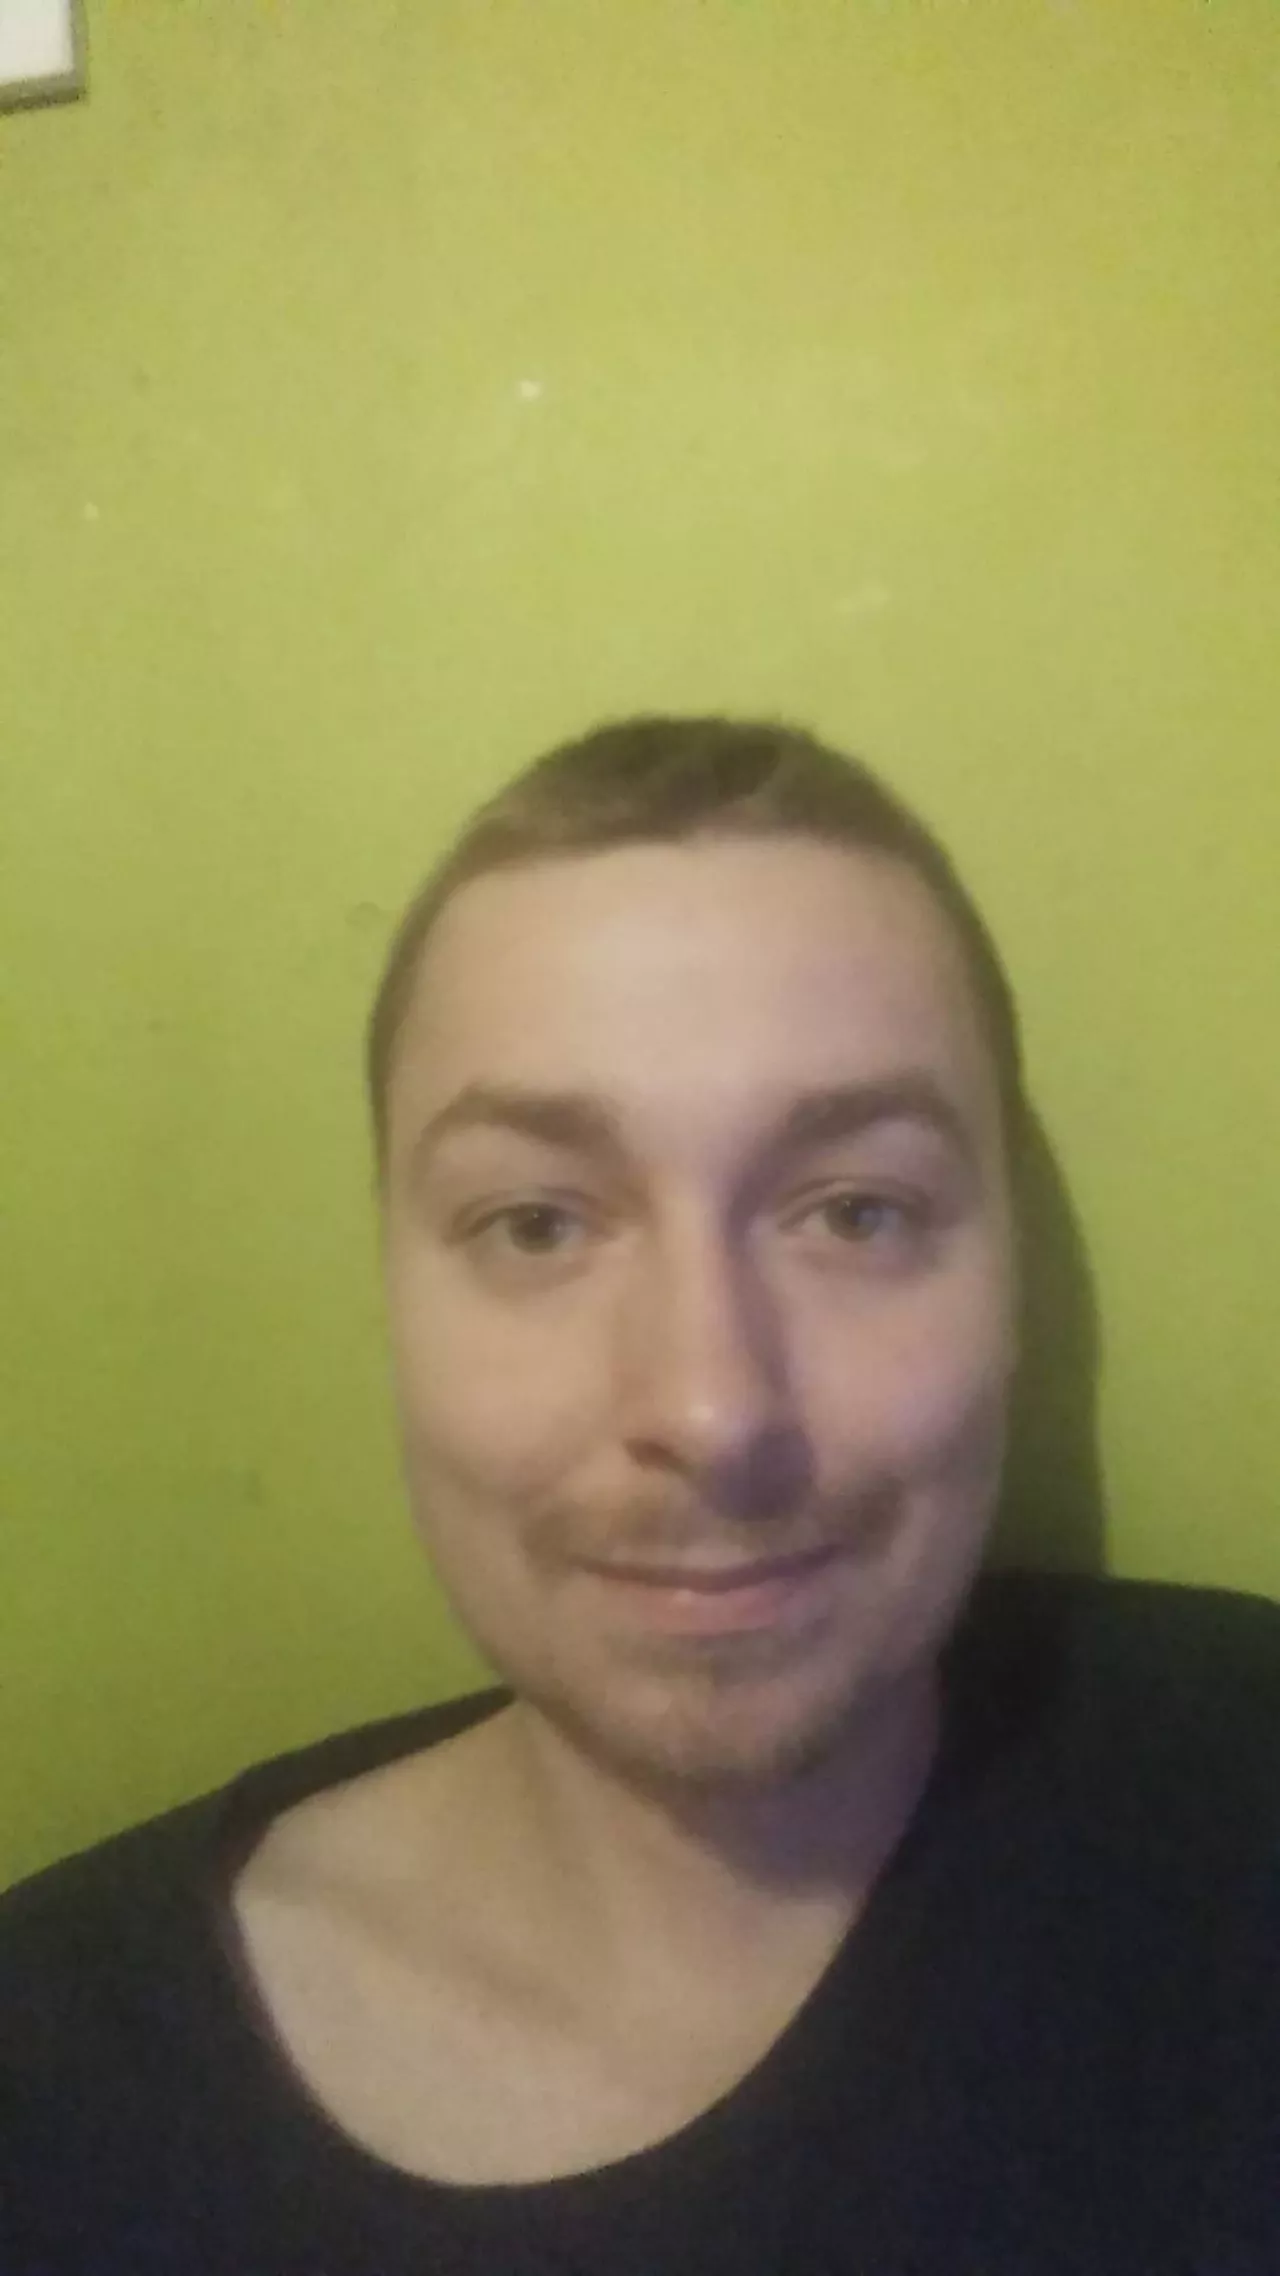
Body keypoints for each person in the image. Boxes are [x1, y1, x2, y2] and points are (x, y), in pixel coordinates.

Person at [1, 715, 1277, 2275]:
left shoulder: (1243, 1792)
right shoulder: (48, 2098)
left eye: (856, 1211)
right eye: (538, 1224)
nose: (712, 1408)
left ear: (1014, 1285)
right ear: (390, 1300)